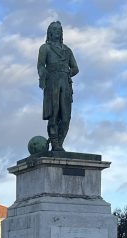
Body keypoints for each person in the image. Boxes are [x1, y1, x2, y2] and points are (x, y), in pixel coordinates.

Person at [37, 21, 78, 152]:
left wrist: (67, 73)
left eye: (59, 30)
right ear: (49, 32)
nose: (57, 32)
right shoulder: (45, 48)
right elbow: (40, 65)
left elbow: (75, 68)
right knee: (54, 114)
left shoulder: (67, 50)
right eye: (54, 29)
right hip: (52, 82)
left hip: (65, 83)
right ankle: (55, 144)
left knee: (66, 117)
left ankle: (60, 143)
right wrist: (43, 75)